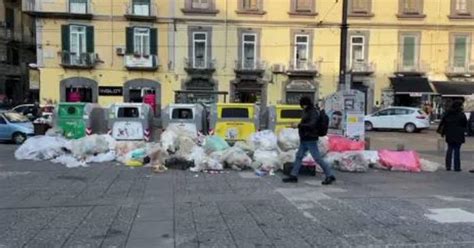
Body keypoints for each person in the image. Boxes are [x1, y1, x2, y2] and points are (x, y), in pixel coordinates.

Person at [282, 96, 336, 185]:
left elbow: (312, 124)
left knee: (317, 158)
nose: (302, 107)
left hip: (310, 138)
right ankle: (293, 175)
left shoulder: (312, 112)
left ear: (304, 104)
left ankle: (329, 175)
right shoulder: (307, 111)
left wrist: (298, 125)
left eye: (302, 105)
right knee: (299, 156)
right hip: (305, 138)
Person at [438, 100, 467, 172]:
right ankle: (457, 167)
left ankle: (448, 166)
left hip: (449, 133)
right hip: (459, 134)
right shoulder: (461, 114)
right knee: (457, 150)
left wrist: (442, 132)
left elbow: (443, 123)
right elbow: (465, 124)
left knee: (449, 149)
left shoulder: (447, 114)